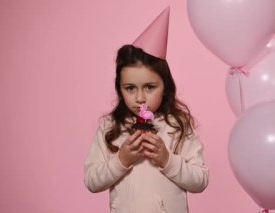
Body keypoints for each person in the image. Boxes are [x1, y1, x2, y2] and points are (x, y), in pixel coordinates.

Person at [84, 7, 209, 213]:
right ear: (120, 88)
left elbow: (201, 180)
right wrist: (121, 160)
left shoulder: (178, 125)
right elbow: (91, 181)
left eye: (150, 87)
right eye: (130, 88)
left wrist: (167, 160)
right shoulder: (110, 128)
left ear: (165, 86)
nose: (140, 98)